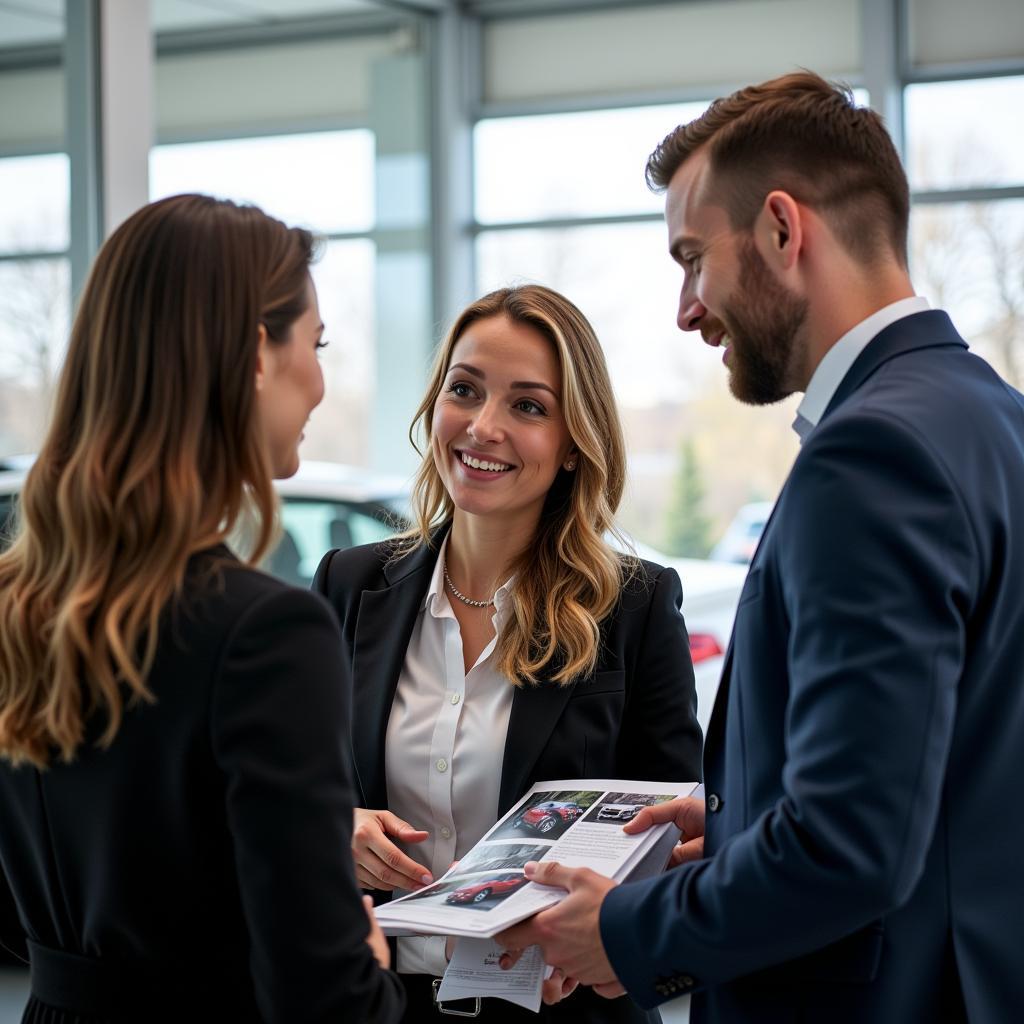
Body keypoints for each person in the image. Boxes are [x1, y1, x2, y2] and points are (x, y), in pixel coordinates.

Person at [496, 71, 1024, 1023]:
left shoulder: (871, 453)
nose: (688, 309)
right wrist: (742, 814)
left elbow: (850, 844)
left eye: (693, 258)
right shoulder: (994, 420)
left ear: (783, 230)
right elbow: (950, 771)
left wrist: (624, 929)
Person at [0, 194, 405, 1023]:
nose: (323, 381)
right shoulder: (266, 633)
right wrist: (370, 968)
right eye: (316, 344)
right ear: (258, 352)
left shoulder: (17, 604)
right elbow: (324, 1001)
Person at [312, 283, 702, 1022]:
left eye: (528, 406)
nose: (483, 426)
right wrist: (336, 828)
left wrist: (605, 944)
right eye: (465, 390)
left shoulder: (636, 606)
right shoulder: (349, 585)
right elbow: (294, 799)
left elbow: (668, 847)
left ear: (571, 443)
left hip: (563, 1010)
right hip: (375, 1004)